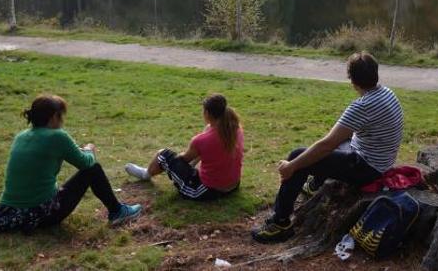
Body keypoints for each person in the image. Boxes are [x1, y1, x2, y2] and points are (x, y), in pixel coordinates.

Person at [251, 52, 404, 243]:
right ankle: (315, 185)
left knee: (298, 156)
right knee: (331, 144)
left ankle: (280, 223)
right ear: (375, 74)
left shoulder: (362, 106)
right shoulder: (386, 93)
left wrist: (292, 166)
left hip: (368, 168)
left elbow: (326, 145)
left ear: (352, 81)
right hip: (378, 158)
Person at [0, 95, 142, 234]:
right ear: (54, 116)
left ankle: (117, 211)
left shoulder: (22, 136)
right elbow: (85, 163)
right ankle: (117, 211)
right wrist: (90, 150)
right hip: (41, 214)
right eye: (61, 116)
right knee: (93, 169)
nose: (62, 121)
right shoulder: (57, 136)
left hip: (10, 212)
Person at [125, 94, 243, 201]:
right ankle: (189, 169)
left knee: (163, 154)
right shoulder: (235, 129)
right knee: (205, 140)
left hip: (207, 191)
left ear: (207, 113)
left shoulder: (201, 140)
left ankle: (146, 174)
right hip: (233, 185)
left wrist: (180, 157)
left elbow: (184, 159)